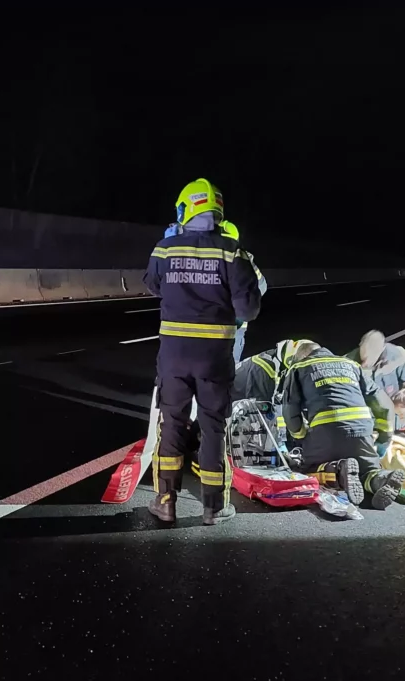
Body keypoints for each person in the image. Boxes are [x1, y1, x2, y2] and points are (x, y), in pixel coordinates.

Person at [144, 178, 262, 525]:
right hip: (214, 356)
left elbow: (152, 285)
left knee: (173, 424)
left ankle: (165, 502)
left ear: (184, 209)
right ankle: (214, 507)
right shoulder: (231, 250)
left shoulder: (165, 249)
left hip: (174, 355)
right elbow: (248, 310)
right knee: (213, 426)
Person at [282, 341, 405, 509]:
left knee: (307, 469)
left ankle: (339, 471)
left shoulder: (299, 368)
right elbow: (383, 404)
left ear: (302, 356)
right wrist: (383, 436)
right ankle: (381, 479)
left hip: (326, 432)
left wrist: (300, 435)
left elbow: (290, 410)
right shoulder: (352, 365)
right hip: (361, 430)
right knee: (368, 468)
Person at [219, 220, 267, 361]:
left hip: (228, 327)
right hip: (228, 328)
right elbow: (261, 285)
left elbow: (261, 285)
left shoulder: (241, 259)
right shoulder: (241, 257)